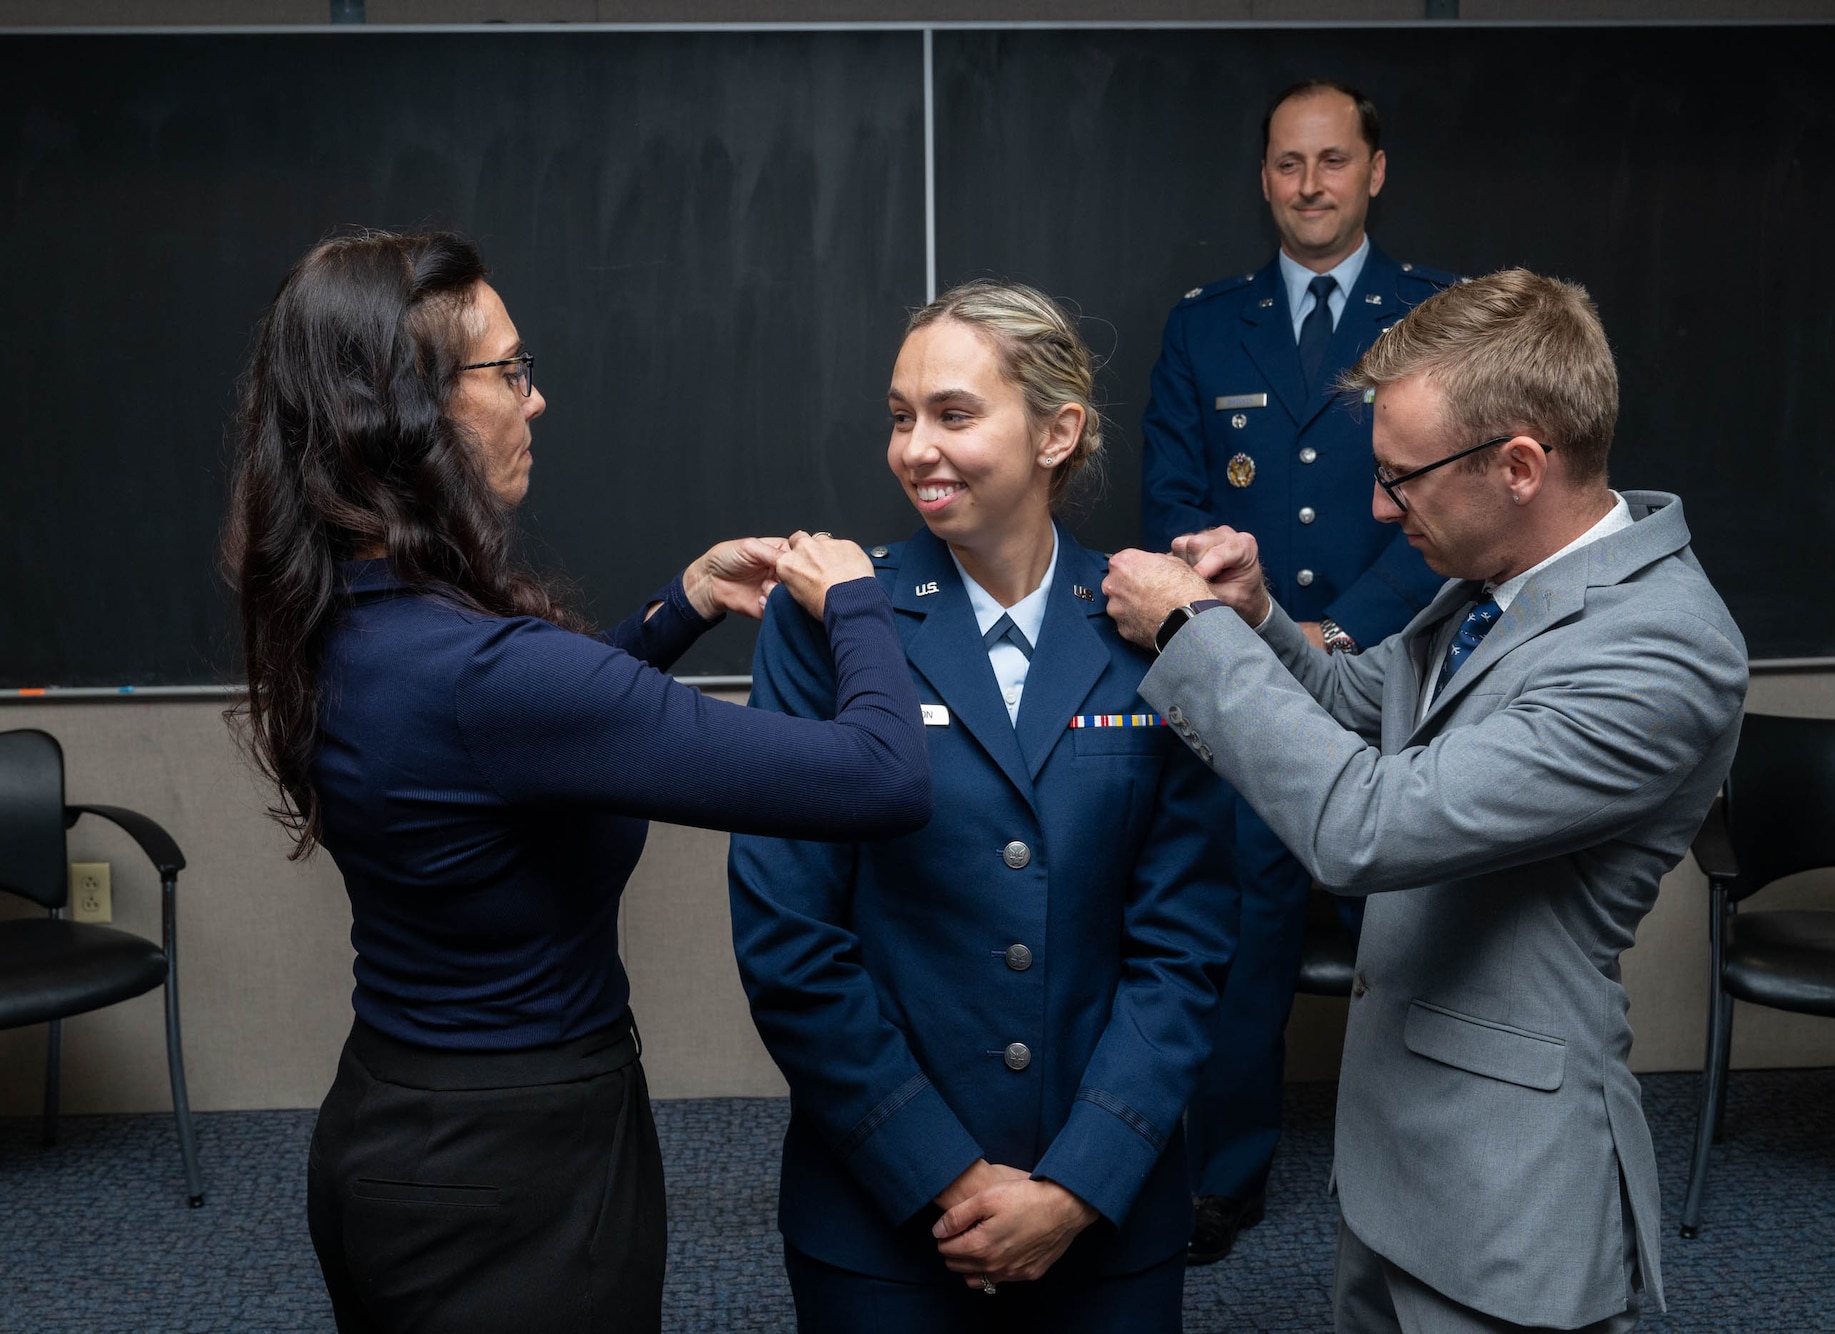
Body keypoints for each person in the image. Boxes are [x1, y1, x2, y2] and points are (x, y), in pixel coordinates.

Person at [221, 229, 932, 1333]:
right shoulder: (493, 678)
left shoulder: (349, 612)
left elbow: (516, 736)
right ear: (412, 407)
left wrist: (677, 604)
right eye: (510, 371)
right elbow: (879, 775)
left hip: (398, 1130)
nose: (534, 400)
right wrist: (859, 600)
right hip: (516, 1180)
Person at [1104, 269, 1748, 1331]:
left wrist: (1188, 635)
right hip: (1395, 1155)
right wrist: (1257, 616)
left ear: (1519, 465)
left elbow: (1367, 822)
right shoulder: (1502, 576)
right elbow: (1366, 702)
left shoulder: (1660, 648)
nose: (1374, 504)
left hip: (1509, 1186)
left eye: (1399, 478)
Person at [729, 279, 1237, 1332]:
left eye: (953, 415)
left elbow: (1182, 944)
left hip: (1106, 1205)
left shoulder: (1145, 623)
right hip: (883, 1211)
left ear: (1057, 432)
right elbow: (788, 938)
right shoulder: (824, 623)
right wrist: (947, 1176)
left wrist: (1074, 1185)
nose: (914, 447)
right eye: (900, 416)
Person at [1140, 76, 1456, 1266]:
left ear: (1373, 172)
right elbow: (1170, 498)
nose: (1309, 184)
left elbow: (1456, 501)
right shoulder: (1202, 323)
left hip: (1403, 675)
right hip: (1251, 688)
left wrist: (1340, 633)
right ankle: (1222, 1178)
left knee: (1422, 935)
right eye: (1287, 163)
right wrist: (1262, 636)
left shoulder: (1436, 317)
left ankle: (1436, 1171)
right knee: (1239, 938)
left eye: (1331, 161)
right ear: (1264, 177)